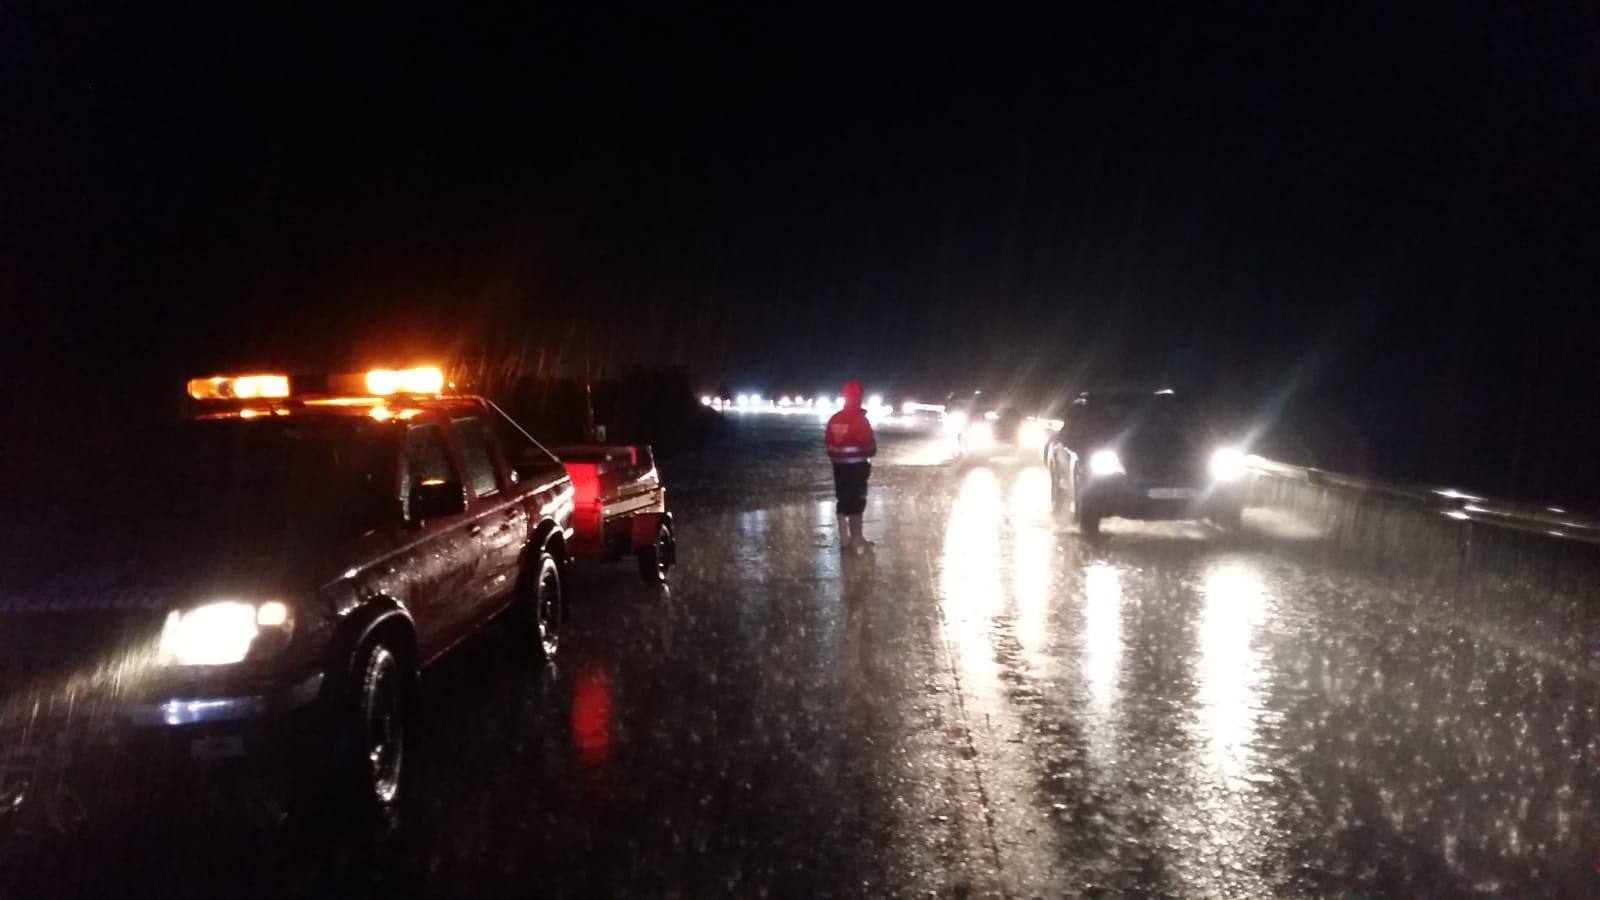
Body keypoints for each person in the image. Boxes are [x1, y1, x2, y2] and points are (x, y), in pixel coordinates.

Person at [825, 380, 877, 549]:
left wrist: (837, 457)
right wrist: (870, 450)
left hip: (839, 466)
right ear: (859, 396)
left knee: (843, 500)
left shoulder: (835, 419)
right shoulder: (859, 419)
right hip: (857, 466)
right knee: (857, 501)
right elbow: (868, 444)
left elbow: (829, 443)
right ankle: (856, 538)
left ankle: (844, 538)